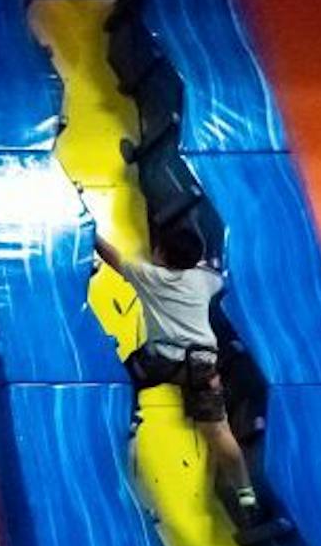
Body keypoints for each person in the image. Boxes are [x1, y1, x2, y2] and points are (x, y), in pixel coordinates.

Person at [90, 222, 260, 523]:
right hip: (203, 365)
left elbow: (111, 256)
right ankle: (246, 493)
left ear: (161, 254)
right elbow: (220, 280)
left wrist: (91, 232)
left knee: (125, 373)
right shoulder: (205, 280)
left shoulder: (148, 276)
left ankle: (129, 418)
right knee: (219, 431)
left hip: (162, 361)